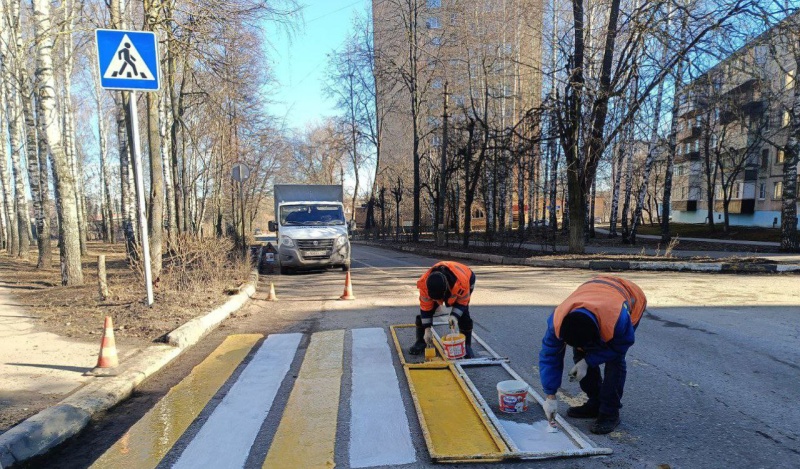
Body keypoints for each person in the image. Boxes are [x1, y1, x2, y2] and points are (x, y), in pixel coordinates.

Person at [539, 275, 647, 434]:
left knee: (615, 361)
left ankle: (610, 412)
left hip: (631, 298)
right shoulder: (557, 321)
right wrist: (550, 396)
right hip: (597, 292)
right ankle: (595, 402)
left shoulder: (617, 320)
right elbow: (550, 357)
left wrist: (588, 361)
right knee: (580, 354)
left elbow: (620, 346)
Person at [409, 261, 476, 358]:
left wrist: (454, 316)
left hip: (467, 277)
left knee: (464, 314)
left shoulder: (462, 283)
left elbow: (463, 302)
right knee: (427, 312)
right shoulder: (424, 284)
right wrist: (427, 329)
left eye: (438, 299)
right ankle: (421, 341)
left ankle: (466, 345)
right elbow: (425, 308)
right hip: (445, 284)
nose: (437, 301)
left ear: (446, 291)